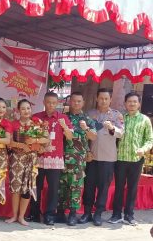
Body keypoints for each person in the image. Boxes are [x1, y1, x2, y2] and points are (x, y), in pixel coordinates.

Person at [80, 88, 124, 226]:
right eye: (101, 98)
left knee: (103, 187)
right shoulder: (90, 114)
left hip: (108, 158)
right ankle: (87, 212)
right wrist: (86, 151)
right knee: (89, 186)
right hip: (92, 157)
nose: (103, 101)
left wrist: (112, 128)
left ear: (110, 99)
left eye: (106, 98)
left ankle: (98, 213)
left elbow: (121, 133)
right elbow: (84, 136)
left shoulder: (117, 116)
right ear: (97, 99)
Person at [28, 92, 73, 226]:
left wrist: (64, 126)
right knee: (36, 187)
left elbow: (70, 137)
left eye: (53, 103)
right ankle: (34, 213)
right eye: (48, 102)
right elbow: (29, 136)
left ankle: (49, 215)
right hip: (39, 158)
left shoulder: (63, 117)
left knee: (53, 189)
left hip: (55, 159)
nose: (51, 105)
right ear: (44, 102)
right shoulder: (36, 117)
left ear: (58, 103)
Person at [108, 92, 153, 225]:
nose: (132, 104)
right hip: (120, 159)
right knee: (119, 187)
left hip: (136, 160)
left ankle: (129, 215)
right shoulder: (121, 118)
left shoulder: (144, 120)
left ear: (139, 104)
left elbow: (150, 139)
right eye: (129, 101)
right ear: (125, 103)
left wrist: (143, 149)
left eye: (135, 101)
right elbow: (114, 133)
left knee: (132, 188)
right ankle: (116, 215)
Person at [5, 99, 49, 226]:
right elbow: (9, 142)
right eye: (23, 109)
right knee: (16, 188)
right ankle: (14, 216)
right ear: (18, 110)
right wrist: (21, 145)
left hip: (32, 159)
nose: (26, 111)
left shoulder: (37, 123)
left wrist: (35, 139)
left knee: (27, 188)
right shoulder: (13, 124)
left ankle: (21, 217)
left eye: (28, 108)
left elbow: (46, 140)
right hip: (16, 159)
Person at [56, 92, 97, 226]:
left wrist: (85, 128)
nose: (76, 103)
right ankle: (60, 213)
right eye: (74, 101)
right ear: (70, 102)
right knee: (61, 185)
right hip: (61, 157)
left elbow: (93, 137)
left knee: (76, 186)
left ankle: (73, 214)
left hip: (78, 160)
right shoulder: (63, 117)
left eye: (79, 101)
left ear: (83, 103)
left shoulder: (87, 119)